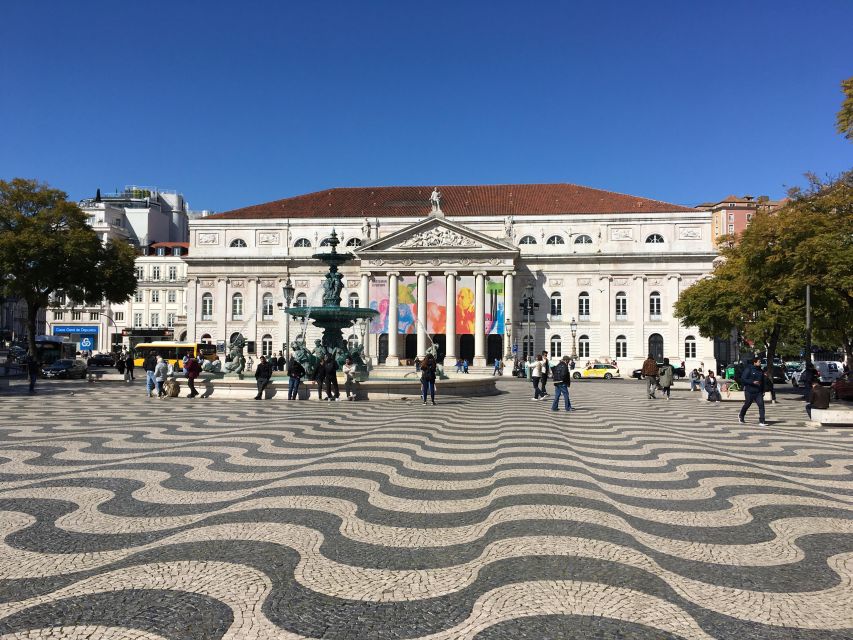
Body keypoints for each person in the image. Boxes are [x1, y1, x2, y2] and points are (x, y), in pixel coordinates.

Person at [739, 356, 767, 426]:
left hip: (758, 392)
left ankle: (762, 421)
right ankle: (741, 415)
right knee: (747, 404)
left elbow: (762, 381)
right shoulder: (749, 369)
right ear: (755, 362)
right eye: (759, 362)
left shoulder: (761, 370)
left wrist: (763, 390)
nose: (760, 363)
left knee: (761, 405)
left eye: (760, 362)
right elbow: (743, 379)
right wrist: (752, 382)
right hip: (749, 391)